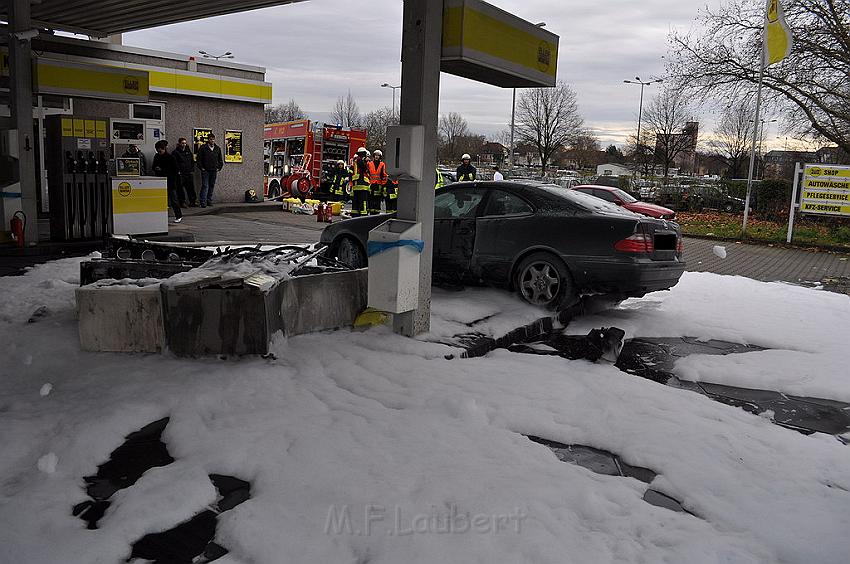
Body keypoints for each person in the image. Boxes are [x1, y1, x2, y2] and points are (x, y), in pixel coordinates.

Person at [151, 140, 182, 223]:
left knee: (174, 200)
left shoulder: (170, 157)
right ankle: (161, 216)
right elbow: (153, 166)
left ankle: (178, 215)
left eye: (160, 150)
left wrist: (162, 170)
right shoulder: (156, 156)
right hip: (160, 181)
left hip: (170, 181)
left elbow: (175, 170)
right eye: (158, 150)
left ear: (164, 149)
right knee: (162, 200)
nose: (159, 151)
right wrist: (156, 168)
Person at [197, 133, 223, 208]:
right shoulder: (203, 148)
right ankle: (203, 202)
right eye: (211, 139)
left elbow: (220, 159)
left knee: (211, 185)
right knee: (205, 186)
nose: (212, 141)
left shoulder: (217, 148)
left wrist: (219, 167)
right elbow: (199, 159)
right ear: (208, 140)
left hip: (214, 170)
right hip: (205, 170)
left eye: (213, 139)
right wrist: (201, 168)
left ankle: (209, 200)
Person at [172, 137, 197, 207]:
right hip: (180, 173)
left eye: (185, 143)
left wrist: (192, 170)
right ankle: (182, 202)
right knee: (180, 189)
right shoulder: (175, 152)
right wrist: (178, 171)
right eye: (182, 143)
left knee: (191, 188)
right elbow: (174, 163)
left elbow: (192, 161)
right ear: (179, 143)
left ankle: (192, 202)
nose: (184, 145)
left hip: (188, 172)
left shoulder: (188, 152)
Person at [350, 147, 371, 216]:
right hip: (362, 185)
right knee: (363, 200)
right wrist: (365, 160)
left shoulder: (356, 161)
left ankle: (355, 213)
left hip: (356, 185)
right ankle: (363, 213)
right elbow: (362, 164)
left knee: (356, 200)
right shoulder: (359, 160)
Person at [367, 149, 388, 215]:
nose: (376, 156)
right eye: (375, 155)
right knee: (371, 198)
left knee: (377, 199)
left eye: (378, 155)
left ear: (380, 157)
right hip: (371, 184)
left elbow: (383, 174)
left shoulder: (382, 164)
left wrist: (383, 184)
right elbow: (367, 173)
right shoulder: (369, 164)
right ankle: (371, 211)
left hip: (378, 184)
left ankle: (376, 212)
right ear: (373, 156)